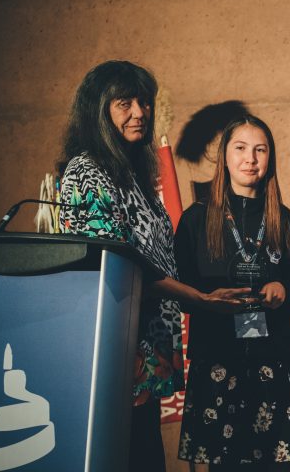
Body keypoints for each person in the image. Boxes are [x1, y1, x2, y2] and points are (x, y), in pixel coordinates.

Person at [59, 60, 249, 472]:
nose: (139, 112)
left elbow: (161, 255)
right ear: (99, 110)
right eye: (124, 103)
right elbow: (119, 267)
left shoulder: (133, 174)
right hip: (113, 345)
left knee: (145, 454)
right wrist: (200, 299)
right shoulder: (87, 172)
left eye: (144, 102)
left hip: (145, 349)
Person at [175, 115, 290, 470]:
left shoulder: (285, 219)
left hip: (271, 358)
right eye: (241, 148)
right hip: (218, 357)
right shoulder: (196, 219)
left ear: (270, 158)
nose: (251, 158)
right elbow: (178, 284)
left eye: (260, 150)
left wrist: (284, 289)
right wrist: (207, 298)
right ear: (225, 158)